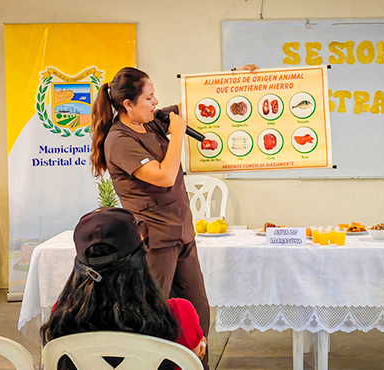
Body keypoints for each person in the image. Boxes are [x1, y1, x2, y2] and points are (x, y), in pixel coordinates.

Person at [89, 64, 259, 368]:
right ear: (128, 104)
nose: (156, 103)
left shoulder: (152, 121)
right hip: (153, 240)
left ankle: (196, 365)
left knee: (197, 309)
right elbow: (165, 176)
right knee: (152, 314)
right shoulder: (120, 140)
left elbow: (202, 100)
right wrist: (178, 135)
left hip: (182, 233)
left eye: (155, 97)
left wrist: (233, 77)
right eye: (149, 98)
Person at [40, 207, 207, 370]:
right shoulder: (180, 313)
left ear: (80, 266)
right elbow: (190, 360)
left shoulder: (63, 316)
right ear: (140, 258)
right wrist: (194, 353)